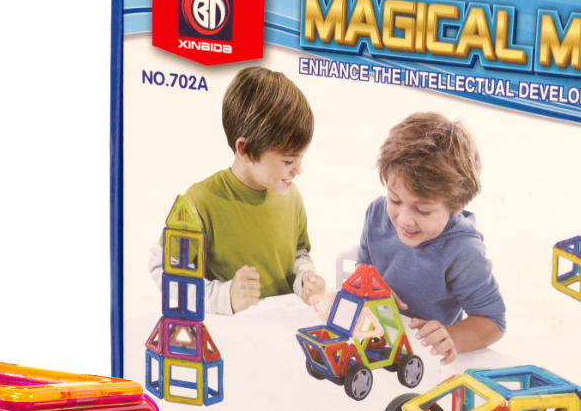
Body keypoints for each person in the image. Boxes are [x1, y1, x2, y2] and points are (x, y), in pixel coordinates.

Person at [152, 66, 324, 314]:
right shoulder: (200, 202)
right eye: (288, 161)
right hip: (232, 331)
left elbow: (298, 253)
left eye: (301, 158)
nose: (299, 170)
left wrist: (305, 279)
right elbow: (163, 270)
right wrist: (225, 297)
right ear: (245, 149)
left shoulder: (291, 195)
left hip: (282, 326)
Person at [358, 112, 505, 363]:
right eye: (395, 199)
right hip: (379, 340)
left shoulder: (463, 249)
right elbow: (363, 268)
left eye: (423, 210)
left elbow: (493, 321)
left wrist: (451, 336)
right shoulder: (376, 214)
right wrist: (371, 286)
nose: (405, 219)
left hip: (425, 357)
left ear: (455, 206)